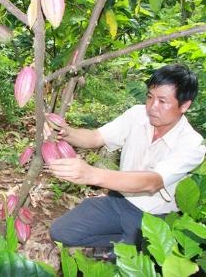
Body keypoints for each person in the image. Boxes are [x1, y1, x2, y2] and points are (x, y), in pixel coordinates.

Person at [45, 64, 206, 259]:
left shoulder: (192, 143)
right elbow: (95, 137)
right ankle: (121, 246)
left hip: (153, 218)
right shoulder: (137, 115)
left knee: (133, 260)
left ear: (185, 105)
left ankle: (126, 248)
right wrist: (66, 133)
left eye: (162, 101)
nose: (152, 107)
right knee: (61, 232)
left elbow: (151, 182)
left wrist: (92, 174)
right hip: (117, 202)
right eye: (149, 97)